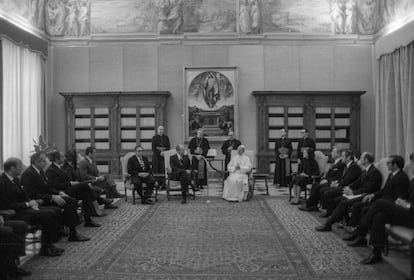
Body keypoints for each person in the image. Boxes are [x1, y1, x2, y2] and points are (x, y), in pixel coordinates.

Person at [344, 155, 414, 264]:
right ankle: (376, 254)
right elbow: (405, 194)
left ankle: (360, 231)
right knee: (379, 217)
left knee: (379, 203)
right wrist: (402, 200)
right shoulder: (407, 178)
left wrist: (406, 204)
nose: (409, 165)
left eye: (412, 163)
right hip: (403, 209)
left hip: (410, 215)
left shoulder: (402, 177)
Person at [0, 157, 64, 257]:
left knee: (55, 210)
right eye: (20, 166)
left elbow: (23, 195)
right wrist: (27, 204)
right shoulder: (2, 182)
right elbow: (6, 204)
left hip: (24, 209)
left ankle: (48, 244)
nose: (22, 168)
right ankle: (46, 247)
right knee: (49, 214)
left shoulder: (15, 179)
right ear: (12, 168)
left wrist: (31, 202)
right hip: (15, 212)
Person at [21, 151, 90, 242]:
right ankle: (72, 233)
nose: (46, 163)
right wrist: (51, 197)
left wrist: (58, 193)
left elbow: (47, 187)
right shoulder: (29, 173)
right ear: (36, 162)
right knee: (69, 202)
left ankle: (70, 231)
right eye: (43, 161)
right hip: (39, 201)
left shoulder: (39, 171)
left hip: (46, 197)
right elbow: (31, 194)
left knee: (70, 200)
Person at [315, 152, 382, 232]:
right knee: (338, 199)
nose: (359, 159)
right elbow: (357, 183)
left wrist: (353, 193)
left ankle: (328, 224)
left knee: (343, 202)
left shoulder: (374, 172)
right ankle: (347, 221)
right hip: (359, 193)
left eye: (361, 158)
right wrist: (348, 188)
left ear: (366, 160)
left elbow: (368, 189)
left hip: (365, 195)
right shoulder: (366, 171)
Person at [346, 155, 410, 228]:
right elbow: (384, 190)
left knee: (366, 209)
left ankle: (359, 230)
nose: (386, 164)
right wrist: (373, 195)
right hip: (382, 199)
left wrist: (381, 200)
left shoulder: (402, 178)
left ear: (395, 165)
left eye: (388, 163)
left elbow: (398, 197)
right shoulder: (391, 175)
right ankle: (353, 227)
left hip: (389, 203)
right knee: (358, 205)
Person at [45, 150, 101, 227]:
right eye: (62, 157)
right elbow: (55, 185)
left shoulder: (60, 167)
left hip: (68, 189)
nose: (64, 158)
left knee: (85, 195)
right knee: (85, 185)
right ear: (57, 159)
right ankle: (97, 199)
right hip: (62, 192)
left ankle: (88, 221)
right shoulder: (51, 170)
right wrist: (71, 183)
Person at [63, 149, 116, 216]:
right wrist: (89, 182)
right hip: (73, 188)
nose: (80, 156)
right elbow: (71, 182)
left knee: (103, 182)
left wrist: (90, 181)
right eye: (78, 155)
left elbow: (81, 179)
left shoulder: (75, 167)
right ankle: (100, 203)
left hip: (81, 185)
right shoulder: (68, 168)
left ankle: (99, 206)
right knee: (90, 190)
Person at [298, 147, 345, 211]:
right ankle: (313, 205)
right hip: (328, 180)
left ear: (338, 154)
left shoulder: (341, 164)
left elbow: (339, 176)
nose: (331, 153)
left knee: (317, 187)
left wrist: (327, 180)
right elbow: (329, 174)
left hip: (333, 183)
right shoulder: (335, 162)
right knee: (315, 185)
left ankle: (309, 204)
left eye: (333, 152)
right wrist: (325, 178)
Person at [318, 150, 362, 217]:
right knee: (325, 190)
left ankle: (333, 213)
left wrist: (337, 184)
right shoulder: (346, 165)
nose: (341, 158)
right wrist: (336, 182)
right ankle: (331, 212)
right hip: (343, 185)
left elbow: (348, 181)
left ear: (348, 157)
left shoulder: (354, 166)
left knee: (327, 193)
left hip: (348, 188)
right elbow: (342, 178)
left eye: (343, 156)